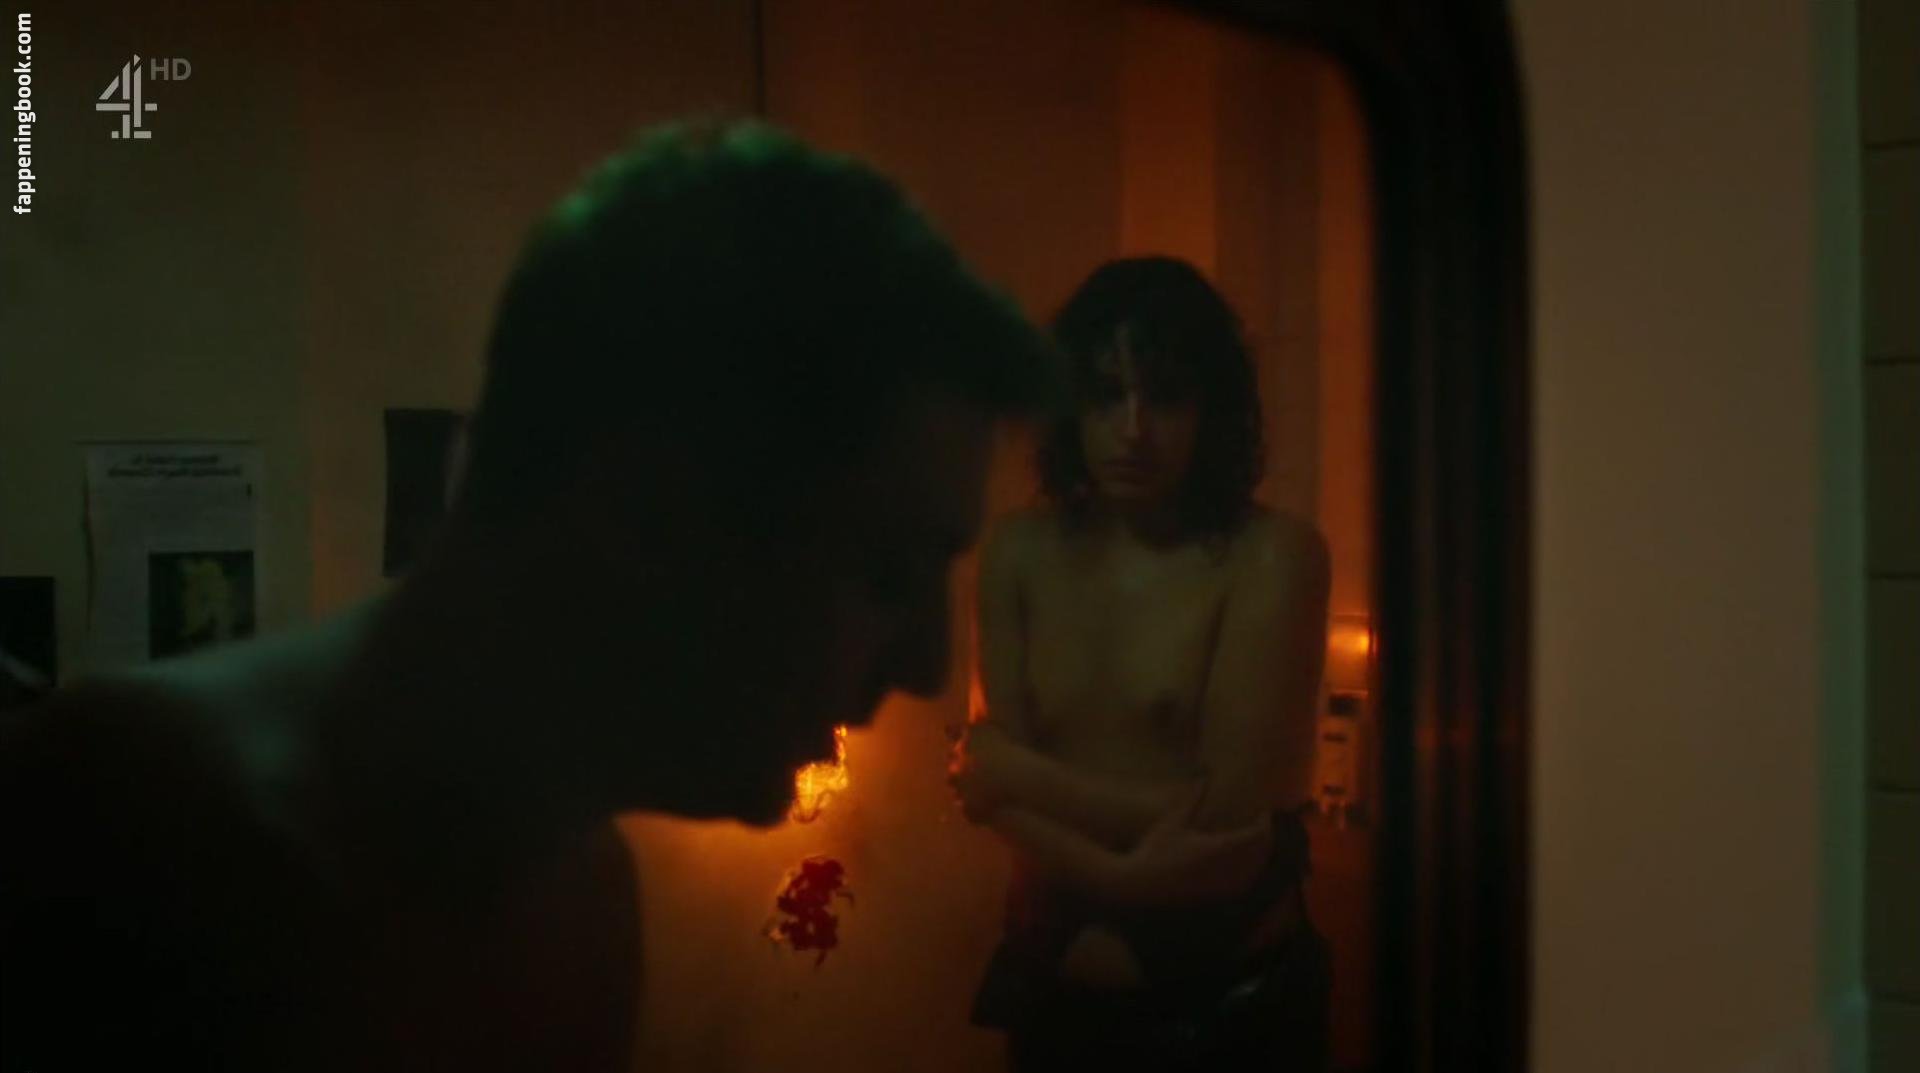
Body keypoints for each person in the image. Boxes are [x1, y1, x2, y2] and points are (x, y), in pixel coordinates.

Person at [0, 118, 1061, 1073]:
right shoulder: (129, 826)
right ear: (645, 506)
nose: (928, 660)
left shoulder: (582, 889)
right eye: (885, 570)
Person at [950, 256, 1335, 1069]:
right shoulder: (1018, 550)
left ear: (1210, 410)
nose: (1132, 429)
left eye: (1163, 396)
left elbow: (1226, 827)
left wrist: (1017, 773)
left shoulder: (1271, 555)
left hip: (1233, 1010)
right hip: (1055, 995)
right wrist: (1126, 868)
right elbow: (995, 801)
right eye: (1104, 394)